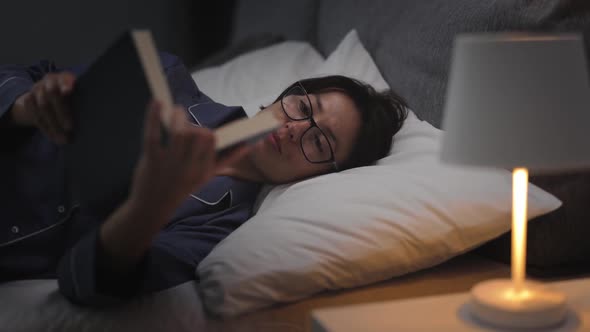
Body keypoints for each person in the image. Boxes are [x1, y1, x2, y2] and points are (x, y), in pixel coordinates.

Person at [0, 52, 407, 306]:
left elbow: (87, 284)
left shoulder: (218, 228)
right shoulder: (166, 77)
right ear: (282, 94)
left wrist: (150, 203)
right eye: (302, 105)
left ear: (323, 175)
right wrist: (24, 107)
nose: (296, 128)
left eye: (320, 142)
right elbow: (30, 72)